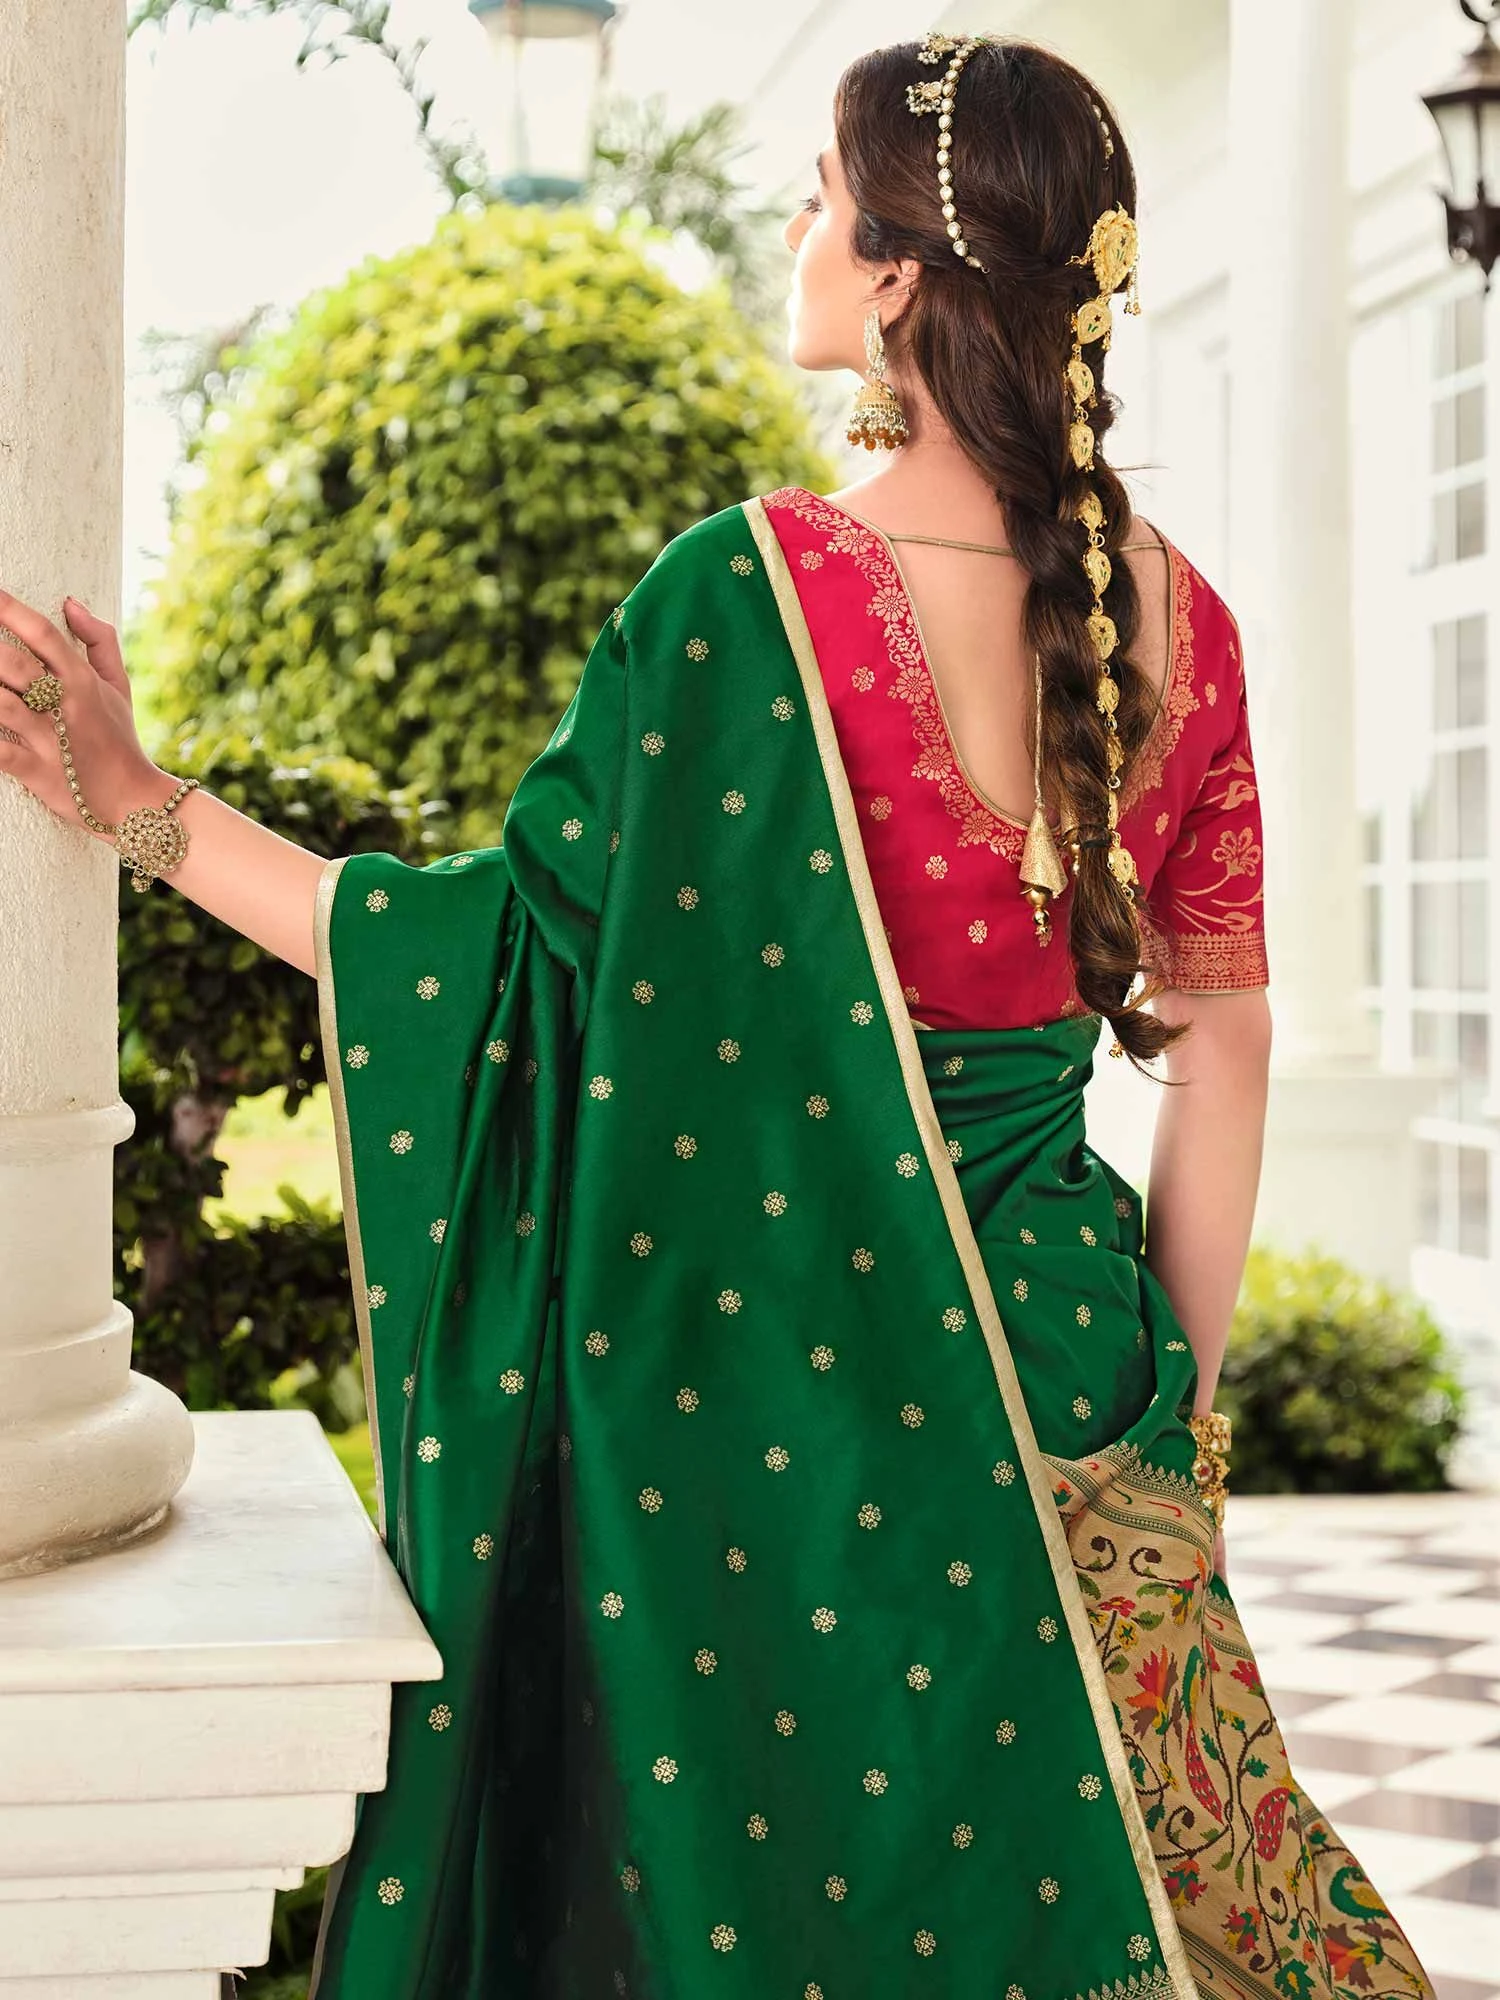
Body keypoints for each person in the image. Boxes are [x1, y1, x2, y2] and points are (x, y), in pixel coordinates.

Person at [0, 31, 1434, 2000]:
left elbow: (474, 958)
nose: (792, 228)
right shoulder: (1178, 625)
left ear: (899, 272)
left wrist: (142, 809)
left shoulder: (744, 599)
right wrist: (1166, 1421)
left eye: (817, 198)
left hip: (776, 1404)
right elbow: (1227, 1049)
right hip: (1071, 1356)